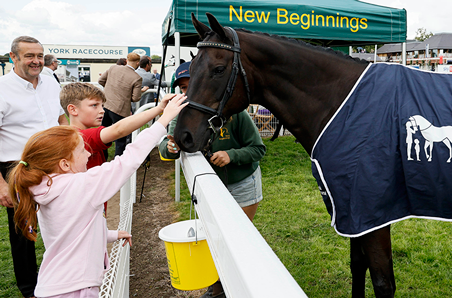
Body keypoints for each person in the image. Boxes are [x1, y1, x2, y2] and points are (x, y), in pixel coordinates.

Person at [7, 94, 187, 298]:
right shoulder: (82, 185)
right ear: (65, 164)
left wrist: (110, 234)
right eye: (83, 151)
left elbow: (70, 231)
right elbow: (128, 160)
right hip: (77, 290)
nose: (89, 155)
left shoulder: (44, 188)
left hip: (54, 285)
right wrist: (163, 121)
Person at [158, 62, 266, 298]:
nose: (189, 92)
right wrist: (171, 147)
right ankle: (217, 287)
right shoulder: (180, 112)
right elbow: (165, 149)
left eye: (192, 86)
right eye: (184, 88)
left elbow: (258, 149)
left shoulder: (234, 112)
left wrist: (231, 155)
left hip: (242, 183)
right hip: (208, 188)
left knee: (238, 239)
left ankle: (232, 287)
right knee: (215, 239)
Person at [0, 35, 68, 298]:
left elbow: (60, 117)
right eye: (29, 56)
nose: (36, 61)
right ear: (13, 57)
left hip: (54, 162)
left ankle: (63, 275)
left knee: (63, 218)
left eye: (39, 55)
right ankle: (30, 289)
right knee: (24, 231)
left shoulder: (50, 80)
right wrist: (2, 185)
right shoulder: (2, 88)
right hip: (17, 168)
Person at [60, 82, 176, 214]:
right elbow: (118, 130)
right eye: (94, 105)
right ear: (73, 109)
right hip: (86, 211)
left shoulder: (70, 135)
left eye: (102, 105)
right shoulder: (79, 137)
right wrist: (162, 111)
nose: (102, 110)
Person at [98, 52, 148, 157]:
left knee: (102, 134)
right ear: (138, 63)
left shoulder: (113, 68)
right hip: (120, 110)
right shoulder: (136, 78)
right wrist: (140, 91)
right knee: (120, 139)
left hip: (105, 105)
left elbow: (101, 80)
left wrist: (110, 90)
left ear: (127, 60)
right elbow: (136, 98)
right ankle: (118, 163)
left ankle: (102, 159)